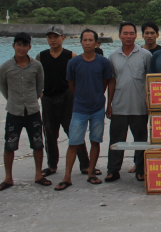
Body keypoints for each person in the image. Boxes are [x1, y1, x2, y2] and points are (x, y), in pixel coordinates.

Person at [55, 29, 112, 191]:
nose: (87, 43)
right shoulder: (73, 63)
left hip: (97, 109)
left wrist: (100, 99)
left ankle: (91, 172)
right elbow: (71, 84)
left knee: (95, 141)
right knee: (73, 142)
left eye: (90, 40)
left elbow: (106, 82)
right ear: (80, 42)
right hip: (79, 109)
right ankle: (67, 176)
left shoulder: (103, 62)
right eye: (84, 40)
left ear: (96, 43)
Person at [0, 32, 49, 191]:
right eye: (19, 44)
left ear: (29, 47)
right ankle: (8, 177)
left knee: (38, 143)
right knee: (10, 145)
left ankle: (38, 174)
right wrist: (13, 100)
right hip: (14, 112)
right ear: (14, 46)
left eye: (25, 45)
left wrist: (32, 100)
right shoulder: (5, 67)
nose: (21, 48)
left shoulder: (36, 66)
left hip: (32, 111)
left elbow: (40, 86)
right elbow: (3, 87)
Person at [36, 26, 91, 178]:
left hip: (67, 97)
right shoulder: (41, 56)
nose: (53, 40)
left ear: (63, 38)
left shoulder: (71, 56)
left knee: (74, 131)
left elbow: (80, 77)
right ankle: (52, 165)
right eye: (50, 37)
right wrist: (39, 93)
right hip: (48, 98)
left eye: (56, 37)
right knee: (49, 132)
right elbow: (36, 77)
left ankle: (85, 164)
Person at [105, 22, 152, 183]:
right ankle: (113, 170)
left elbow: (150, 80)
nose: (128, 36)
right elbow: (111, 81)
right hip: (119, 105)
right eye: (125, 33)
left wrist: (149, 101)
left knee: (140, 140)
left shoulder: (145, 55)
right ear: (119, 35)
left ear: (136, 35)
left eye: (132, 33)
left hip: (139, 105)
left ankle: (140, 169)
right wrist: (109, 103)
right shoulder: (112, 56)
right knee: (116, 140)